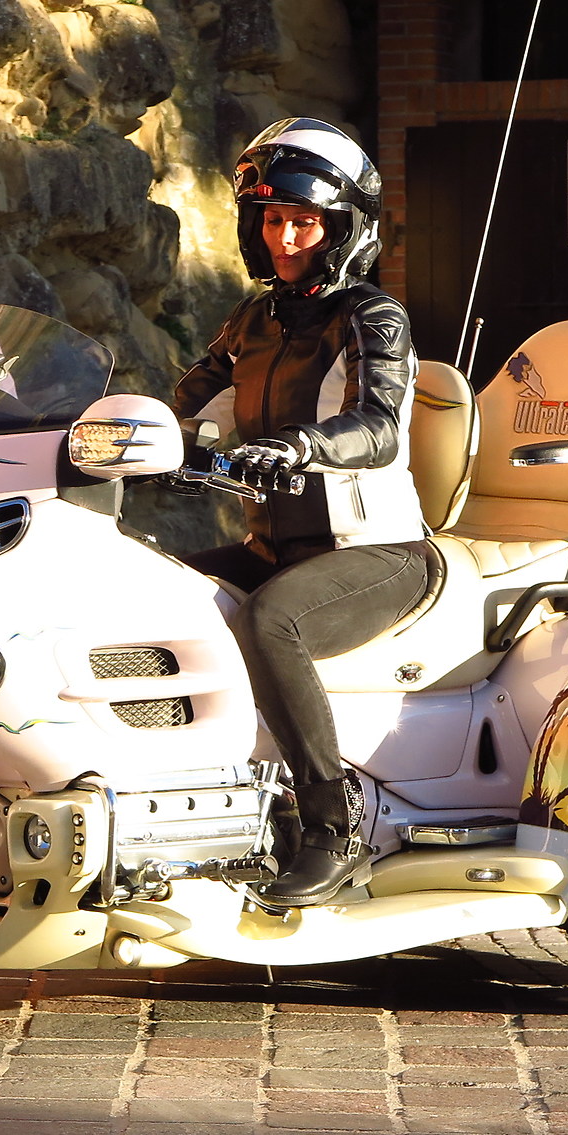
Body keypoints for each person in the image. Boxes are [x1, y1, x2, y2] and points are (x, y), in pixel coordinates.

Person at [171, 118, 435, 910]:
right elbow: (184, 410)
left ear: (342, 228)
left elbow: (380, 427)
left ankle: (333, 824)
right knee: (153, 590)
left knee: (270, 622)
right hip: (275, 547)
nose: (284, 238)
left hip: (378, 551)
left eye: (303, 222)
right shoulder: (251, 323)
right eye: (271, 220)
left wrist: (298, 446)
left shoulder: (373, 317)